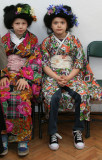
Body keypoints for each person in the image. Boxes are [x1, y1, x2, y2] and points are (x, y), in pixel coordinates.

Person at [41, 4, 102, 151]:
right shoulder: (46, 42)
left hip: (72, 74)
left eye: (62, 22)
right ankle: (53, 132)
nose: (59, 25)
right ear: (51, 24)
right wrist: (56, 77)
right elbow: (44, 64)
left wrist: (67, 77)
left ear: (68, 24)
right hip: (52, 75)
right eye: (55, 22)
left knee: (82, 94)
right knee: (52, 96)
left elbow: (79, 63)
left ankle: (77, 130)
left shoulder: (74, 41)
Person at [0, 3, 42, 156]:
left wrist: (26, 77)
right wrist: (3, 75)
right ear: (11, 23)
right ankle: (3, 136)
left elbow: (36, 59)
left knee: (22, 97)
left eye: (24, 23)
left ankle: (22, 139)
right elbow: (0, 58)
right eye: (17, 23)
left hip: (24, 76)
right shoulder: (3, 39)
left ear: (28, 23)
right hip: (7, 74)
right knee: (2, 96)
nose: (20, 26)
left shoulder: (33, 39)